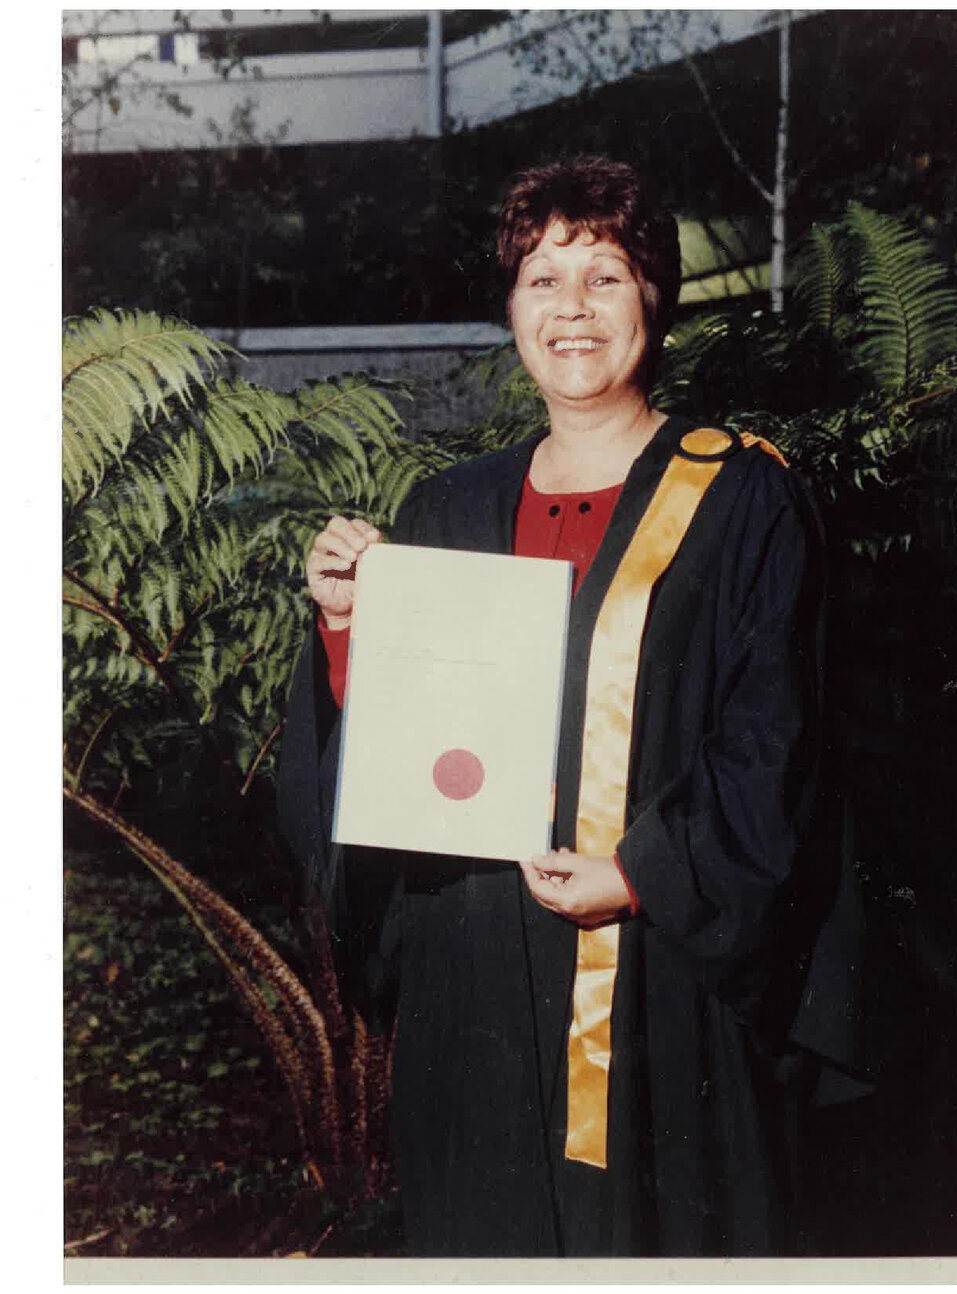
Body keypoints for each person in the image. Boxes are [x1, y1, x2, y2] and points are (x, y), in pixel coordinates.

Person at [277, 155, 868, 1257]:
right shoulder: (447, 505)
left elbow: (779, 740)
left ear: (655, 300)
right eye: (542, 278)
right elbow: (385, 763)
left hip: (661, 976)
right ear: (510, 309)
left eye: (604, 274)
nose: (572, 308)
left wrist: (640, 873)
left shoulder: (744, 497)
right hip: (473, 978)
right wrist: (350, 625)